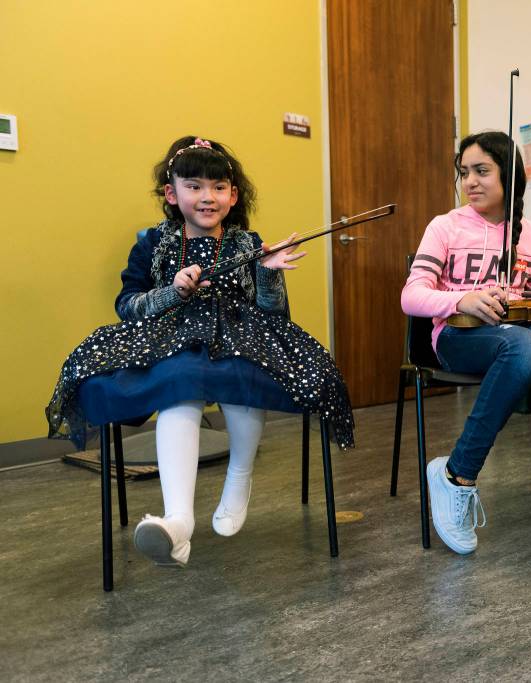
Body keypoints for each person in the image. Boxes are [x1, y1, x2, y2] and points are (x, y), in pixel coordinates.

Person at [46, 136, 354, 568]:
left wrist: (266, 275)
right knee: (179, 383)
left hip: (244, 336)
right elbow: (128, 306)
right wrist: (172, 292)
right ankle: (178, 523)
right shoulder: (153, 243)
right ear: (172, 193)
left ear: (233, 195)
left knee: (240, 376)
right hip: (172, 337)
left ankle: (239, 477)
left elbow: (276, 314)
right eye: (194, 186)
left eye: (219, 187)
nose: (207, 196)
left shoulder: (248, 243)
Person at [400, 131, 531, 555]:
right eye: (464, 173)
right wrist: (463, 299)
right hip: (457, 337)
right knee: (526, 348)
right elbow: (411, 295)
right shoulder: (445, 227)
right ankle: (457, 475)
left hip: (517, 334)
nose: (470, 181)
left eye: (481, 171)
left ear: (509, 176)